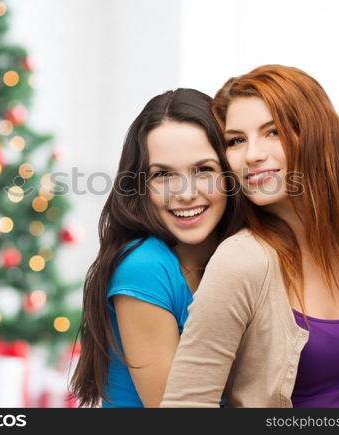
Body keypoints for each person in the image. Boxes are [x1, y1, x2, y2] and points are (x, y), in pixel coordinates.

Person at [161, 65, 339, 408]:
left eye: (273, 132)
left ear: (319, 135)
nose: (253, 154)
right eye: (236, 140)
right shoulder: (241, 261)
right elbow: (187, 406)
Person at [70, 89, 246, 407]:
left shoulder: (237, 261)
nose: (185, 193)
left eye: (203, 170)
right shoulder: (144, 266)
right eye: (163, 175)